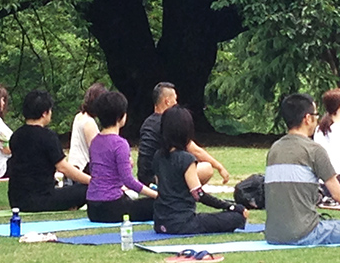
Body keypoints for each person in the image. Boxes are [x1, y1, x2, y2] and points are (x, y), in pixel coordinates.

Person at [264, 94, 340, 245]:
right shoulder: (314, 150)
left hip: (273, 234)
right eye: (316, 115)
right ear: (307, 118)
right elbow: (338, 193)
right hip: (305, 233)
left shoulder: (274, 149)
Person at [152, 106, 248, 235]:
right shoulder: (186, 159)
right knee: (236, 217)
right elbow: (199, 195)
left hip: (160, 222)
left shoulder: (158, 156)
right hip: (183, 223)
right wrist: (231, 206)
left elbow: (160, 187)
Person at [7, 89, 90, 212]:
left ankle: (69, 205)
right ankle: (70, 206)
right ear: (45, 113)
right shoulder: (48, 136)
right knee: (88, 189)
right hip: (41, 199)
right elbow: (63, 168)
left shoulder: (16, 135)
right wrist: (92, 181)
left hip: (16, 200)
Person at [136, 82, 229, 187]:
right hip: (158, 179)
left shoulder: (147, 122)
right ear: (167, 101)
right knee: (206, 168)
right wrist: (219, 166)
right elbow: (194, 150)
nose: (176, 103)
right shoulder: (167, 123)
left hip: (144, 177)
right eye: (175, 100)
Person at [86, 91, 157, 223]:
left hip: (93, 207)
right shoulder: (120, 143)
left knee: (132, 201)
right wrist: (156, 195)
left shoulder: (95, 141)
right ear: (121, 117)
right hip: (111, 206)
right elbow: (129, 181)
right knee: (156, 205)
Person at [67, 83, 106, 176]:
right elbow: (97, 153)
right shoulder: (89, 123)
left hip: (73, 168)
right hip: (83, 171)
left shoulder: (79, 116)